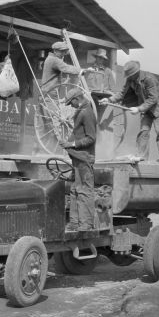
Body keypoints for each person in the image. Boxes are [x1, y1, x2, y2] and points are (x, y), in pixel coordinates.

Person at [100, 61, 159, 165]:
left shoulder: (149, 79)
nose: (130, 77)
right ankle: (142, 156)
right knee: (143, 131)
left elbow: (153, 98)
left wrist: (139, 109)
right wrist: (109, 100)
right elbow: (122, 94)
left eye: (131, 75)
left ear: (136, 72)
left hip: (158, 107)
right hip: (146, 108)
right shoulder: (130, 79)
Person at [60, 87, 97, 232]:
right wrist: (68, 143)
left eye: (71, 103)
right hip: (78, 157)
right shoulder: (82, 111)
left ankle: (86, 224)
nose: (71, 106)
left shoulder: (87, 113)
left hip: (84, 158)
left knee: (85, 190)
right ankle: (75, 223)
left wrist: (72, 144)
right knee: (75, 189)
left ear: (77, 99)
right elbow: (78, 133)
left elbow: (91, 138)